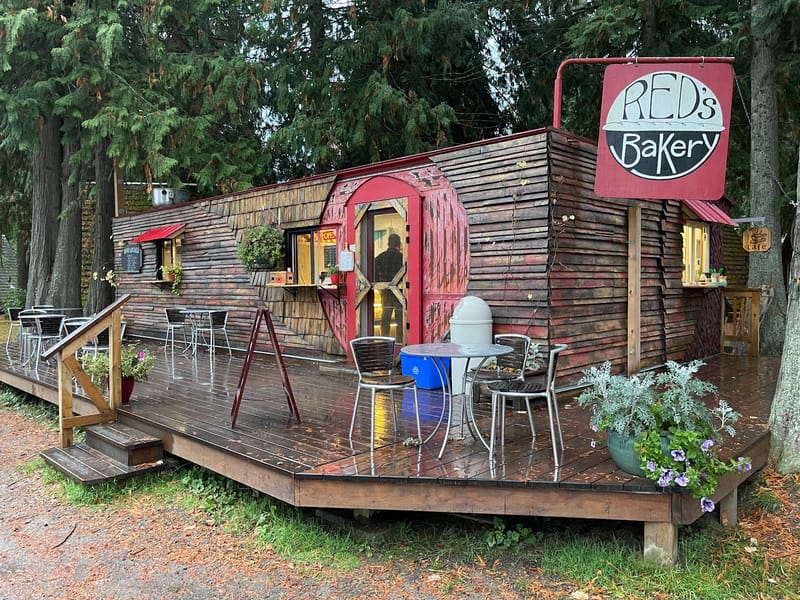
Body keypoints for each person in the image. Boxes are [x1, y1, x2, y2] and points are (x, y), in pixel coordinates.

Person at [374, 233, 404, 339]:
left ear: (388, 243)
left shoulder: (379, 258)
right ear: (399, 244)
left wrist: (380, 287)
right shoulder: (402, 258)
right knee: (400, 319)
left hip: (385, 293)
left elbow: (375, 277)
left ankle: (384, 341)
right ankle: (400, 340)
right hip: (400, 293)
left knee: (385, 318)